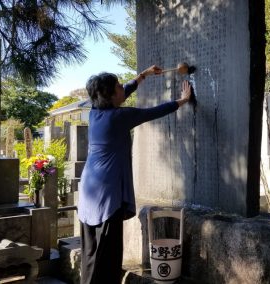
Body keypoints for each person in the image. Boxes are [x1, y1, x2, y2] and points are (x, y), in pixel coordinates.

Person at [78, 65, 192, 284]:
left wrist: (143, 76)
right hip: (106, 196)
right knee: (107, 258)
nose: (123, 88)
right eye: (118, 86)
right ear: (110, 95)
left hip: (89, 191)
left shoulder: (96, 113)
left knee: (91, 255)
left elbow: (125, 92)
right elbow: (152, 112)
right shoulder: (119, 117)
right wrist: (183, 100)